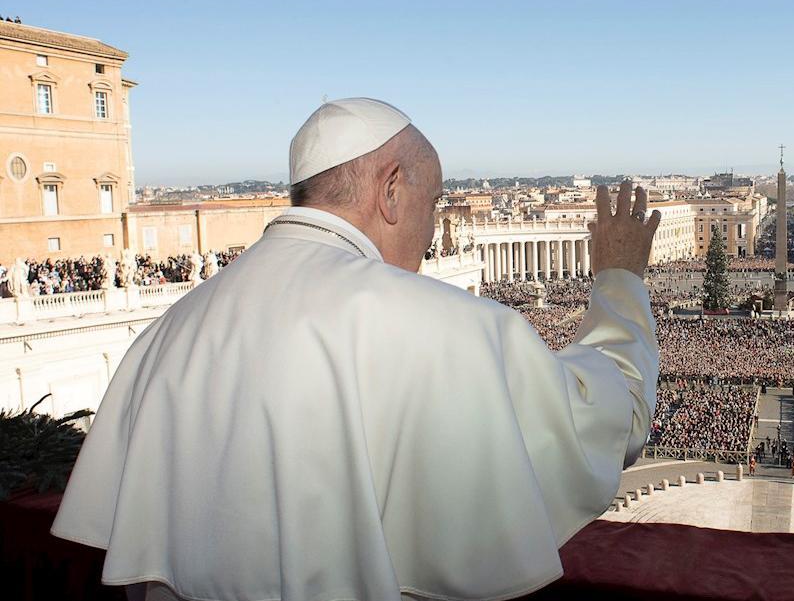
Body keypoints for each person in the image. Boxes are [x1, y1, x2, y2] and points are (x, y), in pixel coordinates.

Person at [51, 98, 664, 601]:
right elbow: (610, 418)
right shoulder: (446, 328)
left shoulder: (167, 334)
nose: (431, 233)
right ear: (392, 190)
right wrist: (618, 281)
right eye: (433, 205)